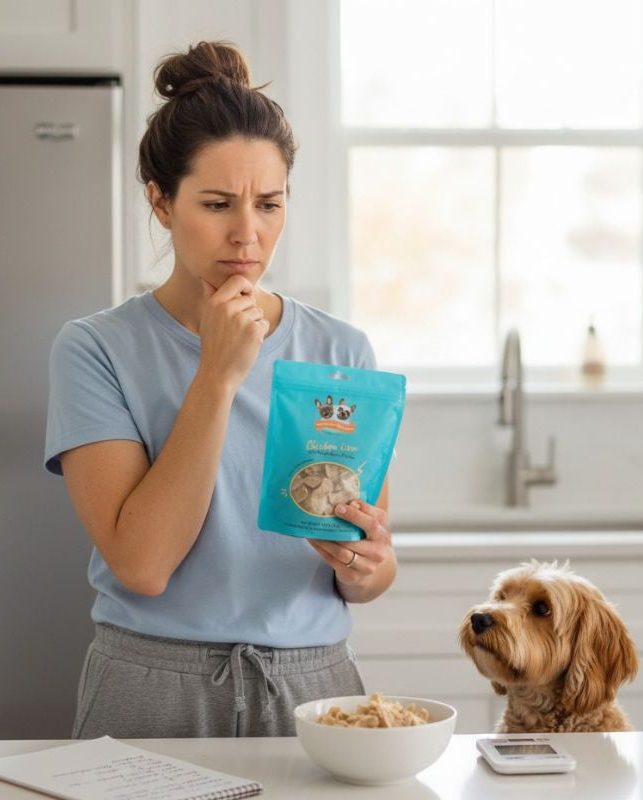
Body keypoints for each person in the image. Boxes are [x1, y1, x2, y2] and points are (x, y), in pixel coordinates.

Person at [43, 40, 398, 739]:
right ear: (161, 201)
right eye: (216, 203)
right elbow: (142, 566)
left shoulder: (342, 351)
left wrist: (368, 565)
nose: (247, 235)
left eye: (269, 204)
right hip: (151, 688)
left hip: (315, 688)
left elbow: (366, 571)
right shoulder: (95, 350)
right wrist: (218, 373)